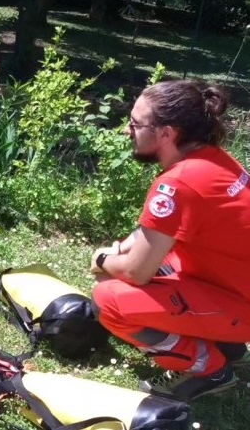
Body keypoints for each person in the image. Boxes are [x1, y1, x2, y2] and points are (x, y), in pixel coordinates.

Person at [90, 80, 250, 402]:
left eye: (135, 123)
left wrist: (104, 260)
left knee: (110, 298)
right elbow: (161, 233)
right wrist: (125, 246)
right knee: (147, 265)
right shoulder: (214, 159)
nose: (127, 130)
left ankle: (209, 368)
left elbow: (136, 272)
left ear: (167, 133)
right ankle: (226, 343)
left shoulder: (178, 183)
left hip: (240, 304)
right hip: (231, 287)